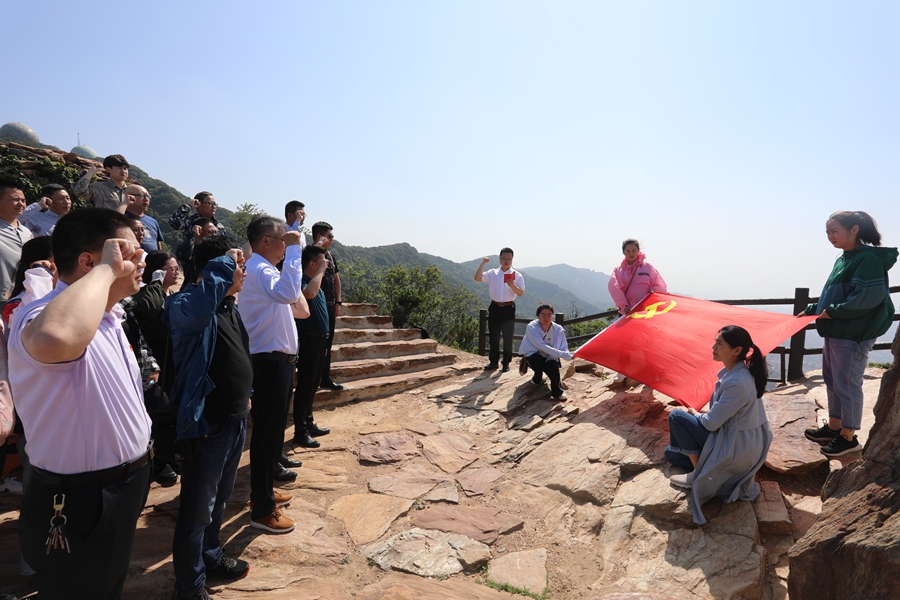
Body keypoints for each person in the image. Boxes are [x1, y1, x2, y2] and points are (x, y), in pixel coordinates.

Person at [7, 208, 153, 598]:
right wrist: (106, 270)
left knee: (106, 584)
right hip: (80, 498)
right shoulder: (40, 315)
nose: (142, 259)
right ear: (89, 262)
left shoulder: (108, 315)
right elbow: (55, 337)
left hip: (124, 483)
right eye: (129, 252)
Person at [165, 236, 256, 600]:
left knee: (219, 500)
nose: (243, 272)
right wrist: (224, 263)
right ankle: (189, 586)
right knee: (197, 510)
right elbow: (200, 308)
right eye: (239, 265)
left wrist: (246, 396)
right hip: (207, 426)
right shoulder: (186, 304)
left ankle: (211, 556)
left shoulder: (227, 307)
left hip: (233, 420)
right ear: (215, 268)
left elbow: (239, 352)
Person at [801, 211, 897, 457]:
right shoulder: (845, 258)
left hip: (853, 333)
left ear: (854, 229)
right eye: (827, 232)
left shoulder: (867, 259)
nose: (830, 237)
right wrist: (813, 310)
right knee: (833, 381)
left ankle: (848, 437)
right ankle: (834, 427)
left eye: (835, 231)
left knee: (848, 385)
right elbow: (835, 295)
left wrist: (832, 312)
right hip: (837, 329)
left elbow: (867, 297)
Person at [240, 215, 308, 533]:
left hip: (275, 361)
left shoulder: (260, 270)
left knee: (272, 434)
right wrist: (296, 251)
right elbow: (290, 292)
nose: (285, 247)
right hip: (268, 362)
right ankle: (263, 510)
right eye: (282, 241)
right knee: (268, 435)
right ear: (266, 240)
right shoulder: (260, 269)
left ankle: (263, 492)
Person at [665, 325, 772, 525]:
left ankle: (699, 475)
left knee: (677, 417)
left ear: (737, 350)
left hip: (736, 446)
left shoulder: (737, 382)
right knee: (671, 454)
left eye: (719, 344)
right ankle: (703, 464)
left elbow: (711, 424)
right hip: (736, 437)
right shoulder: (739, 373)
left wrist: (695, 413)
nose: (713, 347)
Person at [292, 244, 331, 448]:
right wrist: (321, 271)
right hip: (308, 339)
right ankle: (301, 431)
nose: (326, 266)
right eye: (322, 262)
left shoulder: (316, 282)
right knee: (305, 386)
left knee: (313, 385)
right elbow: (309, 294)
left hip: (319, 340)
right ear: (312, 264)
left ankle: (308, 422)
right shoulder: (302, 281)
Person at [474, 247, 525, 372]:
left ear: (512, 260)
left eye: (509, 259)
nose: (506, 261)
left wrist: (512, 285)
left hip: (509, 308)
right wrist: (483, 264)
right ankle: (493, 362)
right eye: (504, 258)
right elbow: (477, 278)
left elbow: (520, 293)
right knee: (493, 336)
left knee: (508, 337)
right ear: (499, 259)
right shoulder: (492, 273)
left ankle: (506, 363)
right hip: (495, 307)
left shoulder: (517, 275)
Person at [518, 303, 574, 401]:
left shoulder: (558, 329)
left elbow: (564, 346)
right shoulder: (532, 327)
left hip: (550, 355)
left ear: (552, 315)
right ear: (538, 315)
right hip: (534, 354)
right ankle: (538, 376)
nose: (546, 317)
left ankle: (558, 392)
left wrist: (567, 353)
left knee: (553, 368)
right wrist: (563, 355)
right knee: (537, 361)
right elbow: (541, 346)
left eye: (549, 314)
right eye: (543, 314)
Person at [312, 221, 343, 390]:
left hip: (330, 306)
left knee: (327, 344)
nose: (332, 239)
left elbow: (336, 280)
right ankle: (311, 379)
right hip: (315, 306)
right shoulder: (309, 255)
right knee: (315, 344)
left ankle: (324, 377)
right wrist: (317, 247)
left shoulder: (330, 256)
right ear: (320, 236)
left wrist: (338, 302)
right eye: (330, 236)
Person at [0, 183, 34, 306]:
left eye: (23, 200)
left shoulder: (26, 232)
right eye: (16, 199)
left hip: (22, 296)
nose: (21, 204)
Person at [176, 218, 220, 285]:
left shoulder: (217, 249)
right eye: (210, 232)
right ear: (200, 232)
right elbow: (183, 256)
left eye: (215, 232)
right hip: (193, 288)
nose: (214, 235)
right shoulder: (190, 249)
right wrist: (193, 234)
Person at [125, 184, 164, 253]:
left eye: (148, 196)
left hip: (153, 259)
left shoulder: (153, 221)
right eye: (142, 196)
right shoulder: (121, 218)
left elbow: (158, 244)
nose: (146, 199)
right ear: (129, 197)